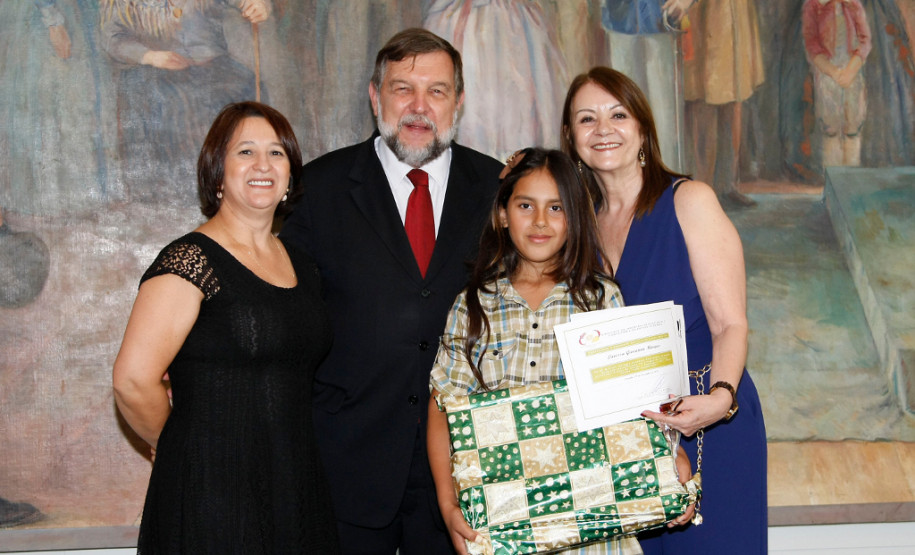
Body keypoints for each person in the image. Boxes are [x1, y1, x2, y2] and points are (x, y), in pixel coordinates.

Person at [279, 28, 502, 554]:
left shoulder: (500, 192)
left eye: (437, 91)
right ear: (376, 96)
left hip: (467, 470)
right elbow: (280, 309)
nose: (419, 107)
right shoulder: (319, 189)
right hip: (346, 465)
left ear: (459, 102)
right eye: (403, 88)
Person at [427, 148, 693, 555]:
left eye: (556, 208)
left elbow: (640, 400)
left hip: (597, 525)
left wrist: (672, 459)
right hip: (504, 526)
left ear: (574, 218)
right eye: (525, 205)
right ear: (502, 214)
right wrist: (448, 505)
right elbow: (443, 406)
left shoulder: (600, 298)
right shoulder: (473, 305)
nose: (539, 221)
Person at [112, 101, 339, 553]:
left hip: (295, 489)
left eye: (277, 153)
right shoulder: (189, 261)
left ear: (290, 174)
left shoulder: (304, 266)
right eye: (245, 152)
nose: (263, 165)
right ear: (217, 172)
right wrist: (179, 446)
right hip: (210, 497)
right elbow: (133, 381)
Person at [560, 68, 767, 553]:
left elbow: (730, 322)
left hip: (708, 422)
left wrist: (720, 398)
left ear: (643, 130)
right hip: (623, 441)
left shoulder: (689, 201)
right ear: (571, 138)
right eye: (586, 119)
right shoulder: (575, 226)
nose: (603, 129)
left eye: (618, 114)